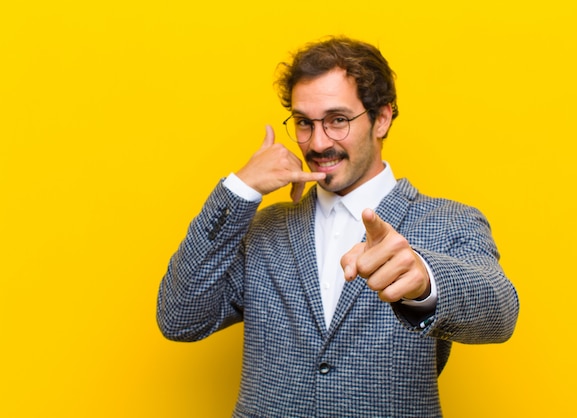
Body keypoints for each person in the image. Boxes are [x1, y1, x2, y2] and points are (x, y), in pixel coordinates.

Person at [157, 36, 519, 417]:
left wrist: (424, 280)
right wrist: (238, 190)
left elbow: (500, 312)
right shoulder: (263, 230)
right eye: (303, 123)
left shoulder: (449, 221)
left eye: (337, 121)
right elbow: (180, 318)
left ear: (381, 118)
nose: (317, 142)